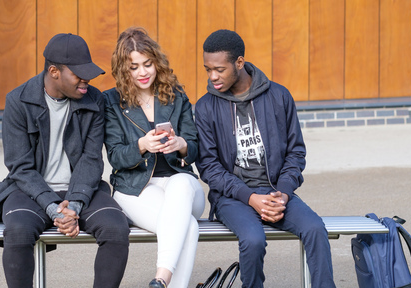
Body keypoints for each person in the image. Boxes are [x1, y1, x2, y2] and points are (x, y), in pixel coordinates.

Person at [0, 33, 130, 288]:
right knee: (18, 231)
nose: (87, 80)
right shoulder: (19, 101)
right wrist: (54, 207)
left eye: (88, 73)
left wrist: (77, 205)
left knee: (116, 229)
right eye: (79, 74)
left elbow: (92, 160)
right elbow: (20, 167)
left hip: (81, 190)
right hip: (29, 190)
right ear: (54, 71)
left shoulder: (94, 100)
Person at [194, 29, 336, 288]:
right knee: (253, 239)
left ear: (239, 62)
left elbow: (296, 152)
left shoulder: (279, 96)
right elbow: (209, 167)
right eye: (207, 69)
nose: (212, 76)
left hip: (275, 192)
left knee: (315, 229)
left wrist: (283, 192)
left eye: (219, 69)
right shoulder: (205, 107)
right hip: (232, 197)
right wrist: (250, 198)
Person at [103, 27, 205, 288]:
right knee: (188, 228)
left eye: (147, 64)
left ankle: (161, 278)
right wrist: (142, 145)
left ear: (156, 62)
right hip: (136, 188)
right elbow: (115, 157)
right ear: (124, 69)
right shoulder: (112, 102)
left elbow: (194, 149)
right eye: (134, 67)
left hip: (179, 184)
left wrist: (181, 144)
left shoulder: (176, 96)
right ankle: (166, 282)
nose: (143, 72)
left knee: (182, 184)